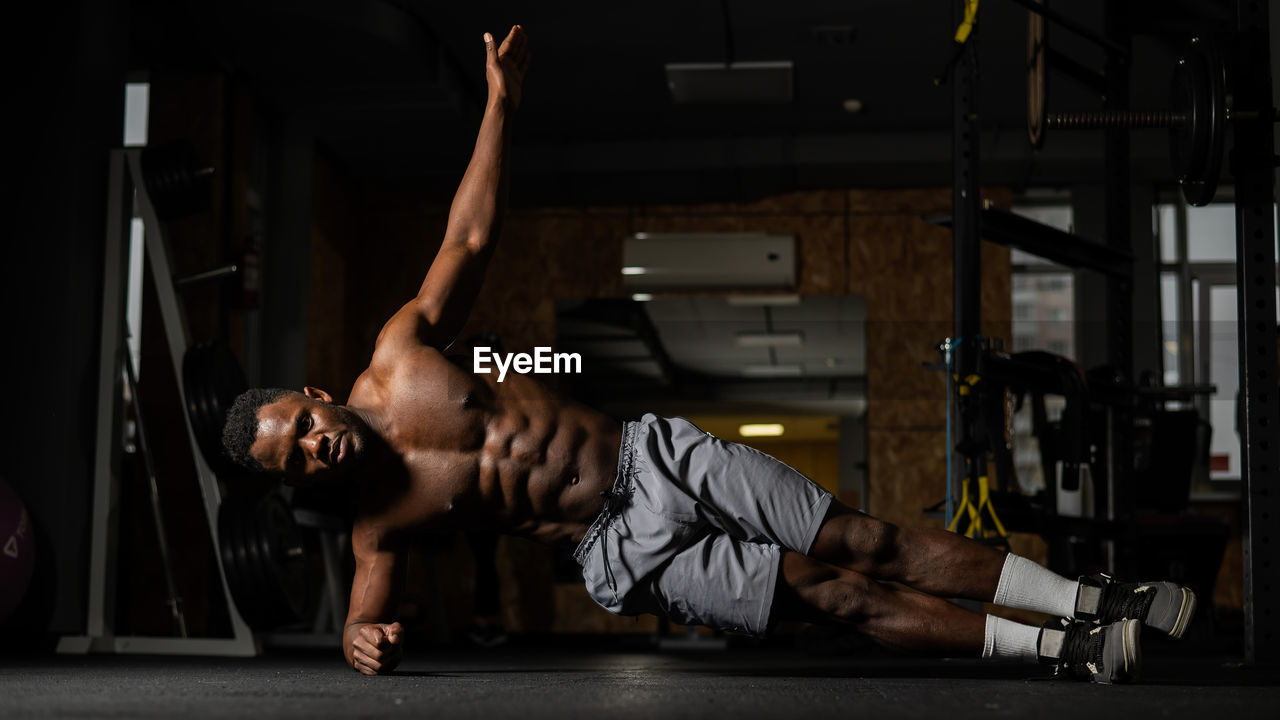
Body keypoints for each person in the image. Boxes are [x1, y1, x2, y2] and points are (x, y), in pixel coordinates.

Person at [220, 25, 1196, 684]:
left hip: (654, 456)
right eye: (294, 458)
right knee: (839, 597)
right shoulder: (374, 530)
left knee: (862, 540)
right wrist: (359, 638)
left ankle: (1091, 596)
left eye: (302, 425)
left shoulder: (398, 352)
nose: (315, 446)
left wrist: (500, 104)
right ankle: (1066, 651)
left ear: (315, 394)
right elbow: (361, 615)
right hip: (617, 549)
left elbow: (467, 242)